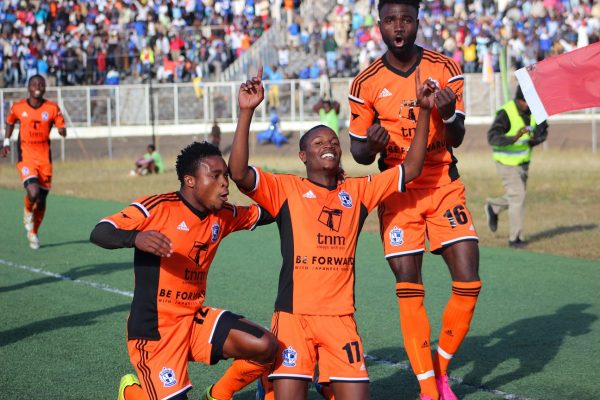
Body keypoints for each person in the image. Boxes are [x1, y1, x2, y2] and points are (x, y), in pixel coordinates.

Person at [229, 66, 435, 400]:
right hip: (294, 317)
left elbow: (410, 169)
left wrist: (424, 111)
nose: (329, 145)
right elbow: (238, 172)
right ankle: (268, 385)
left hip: (340, 320)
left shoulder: (358, 191)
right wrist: (246, 111)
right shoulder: (285, 188)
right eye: (318, 142)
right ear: (303, 155)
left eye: (334, 142)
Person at [347, 1, 482, 399]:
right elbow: (357, 154)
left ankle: (439, 367)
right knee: (410, 284)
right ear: (380, 26)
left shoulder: (445, 67)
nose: (399, 26)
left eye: (406, 18)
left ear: (418, 22)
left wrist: (449, 113)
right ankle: (428, 389)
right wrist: (370, 146)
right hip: (399, 194)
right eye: (390, 20)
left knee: (469, 281)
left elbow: (457, 136)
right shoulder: (365, 82)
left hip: (443, 184)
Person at [90, 142, 279, 400]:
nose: (225, 183)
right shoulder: (159, 208)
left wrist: (307, 192)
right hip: (155, 330)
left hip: (193, 320)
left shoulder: (223, 215)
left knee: (266, 346)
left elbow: (269, 211)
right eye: (215, 176)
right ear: (190, 180)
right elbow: (100, 231)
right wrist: (136, 238)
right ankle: (131, 392)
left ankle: (218, 395)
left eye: (225, 175)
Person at [1, 74, 67, 250]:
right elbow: (10, 122)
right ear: (28, 87)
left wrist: (62, 130)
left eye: (41, 84)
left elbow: (61, 125)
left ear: (45, 87)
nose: (38, 86)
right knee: (33, 191)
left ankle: (34, 232)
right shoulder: (18, 107)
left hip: (45, 158)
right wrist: (6, 141)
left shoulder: (52, 108)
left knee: (43, 199)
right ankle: (27, 211)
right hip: (27, 156)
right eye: (34, 83)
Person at [485, 86, 549, 248]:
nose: (528, 105)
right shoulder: (505, 113)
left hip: (523, 162)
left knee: (516, 198)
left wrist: (535, 139)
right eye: (525, 102)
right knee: (518, 196)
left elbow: (543, 132)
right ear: (518, 99)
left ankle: (493, 207)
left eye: (530, 102)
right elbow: (492, 137)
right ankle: (515, 239)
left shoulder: (536, 111)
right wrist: (515, 138)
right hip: (506, 162)